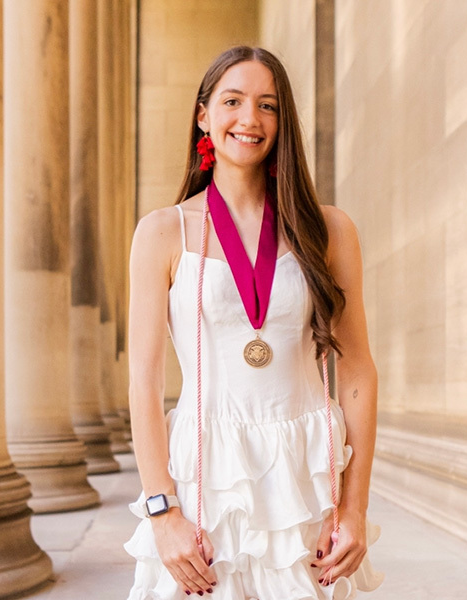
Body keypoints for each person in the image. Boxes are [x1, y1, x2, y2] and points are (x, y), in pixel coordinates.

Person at [124, 46, 384, 600]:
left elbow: (357, 369)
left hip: (307, 479)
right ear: (203, 116)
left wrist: (356, 505)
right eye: (233, 101)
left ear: (283, 120)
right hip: (205, 477)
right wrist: (161, 510)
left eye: (267, 105)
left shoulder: (330, 231)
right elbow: (143, 383)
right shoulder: (162, 233)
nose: (249, 119)